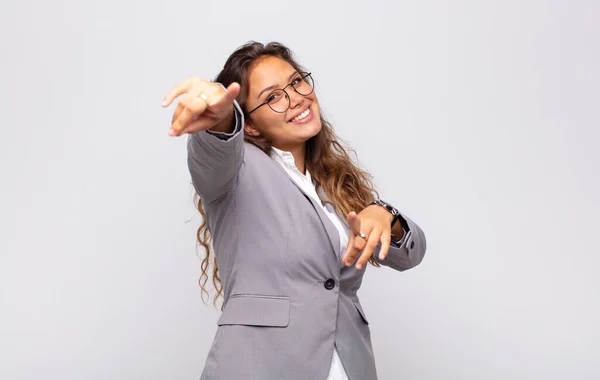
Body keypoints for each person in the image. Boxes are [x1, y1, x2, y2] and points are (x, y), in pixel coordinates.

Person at [161, 41, 427, 380]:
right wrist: (222, 118)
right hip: (261, 365)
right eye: (273, 97)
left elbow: (410, 255)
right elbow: (213, 152)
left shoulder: (331, 182)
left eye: (297, 81)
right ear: (251, 124)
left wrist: (384, 215)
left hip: (347, 364)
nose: (297, 97)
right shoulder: (236, 169)